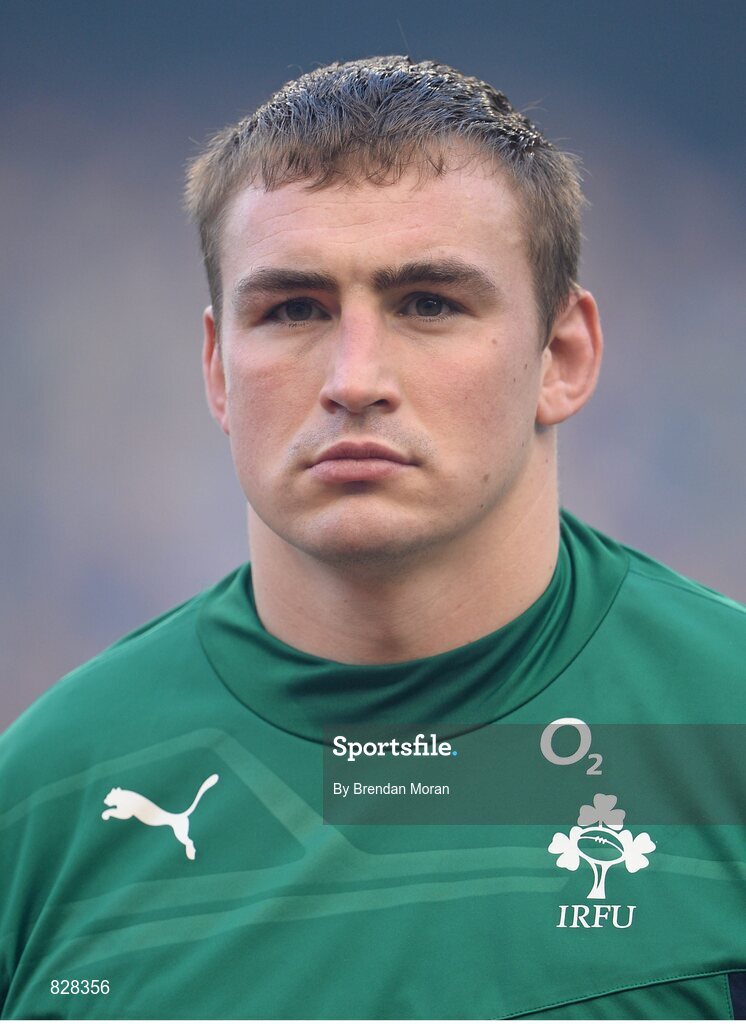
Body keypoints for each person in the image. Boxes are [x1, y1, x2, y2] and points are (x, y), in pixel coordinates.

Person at [1, 56, 744, 1021]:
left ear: (562, 357)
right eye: (294, 309)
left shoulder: (726, 724)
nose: (356, 377)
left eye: (428, 303)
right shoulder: (45, 799)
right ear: (219, 369)